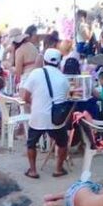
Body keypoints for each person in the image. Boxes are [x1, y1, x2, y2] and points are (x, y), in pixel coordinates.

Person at [21, 48, 70, 179]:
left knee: (31, 143)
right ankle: (58, 169)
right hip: (56, 118)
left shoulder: (35, 73)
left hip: (38, 116)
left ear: (44, 61)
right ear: (59, 62)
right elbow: (64, 98)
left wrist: (35, 104)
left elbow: (25, 96)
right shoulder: (63, 78)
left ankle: (33, 170)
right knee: (63, 143)